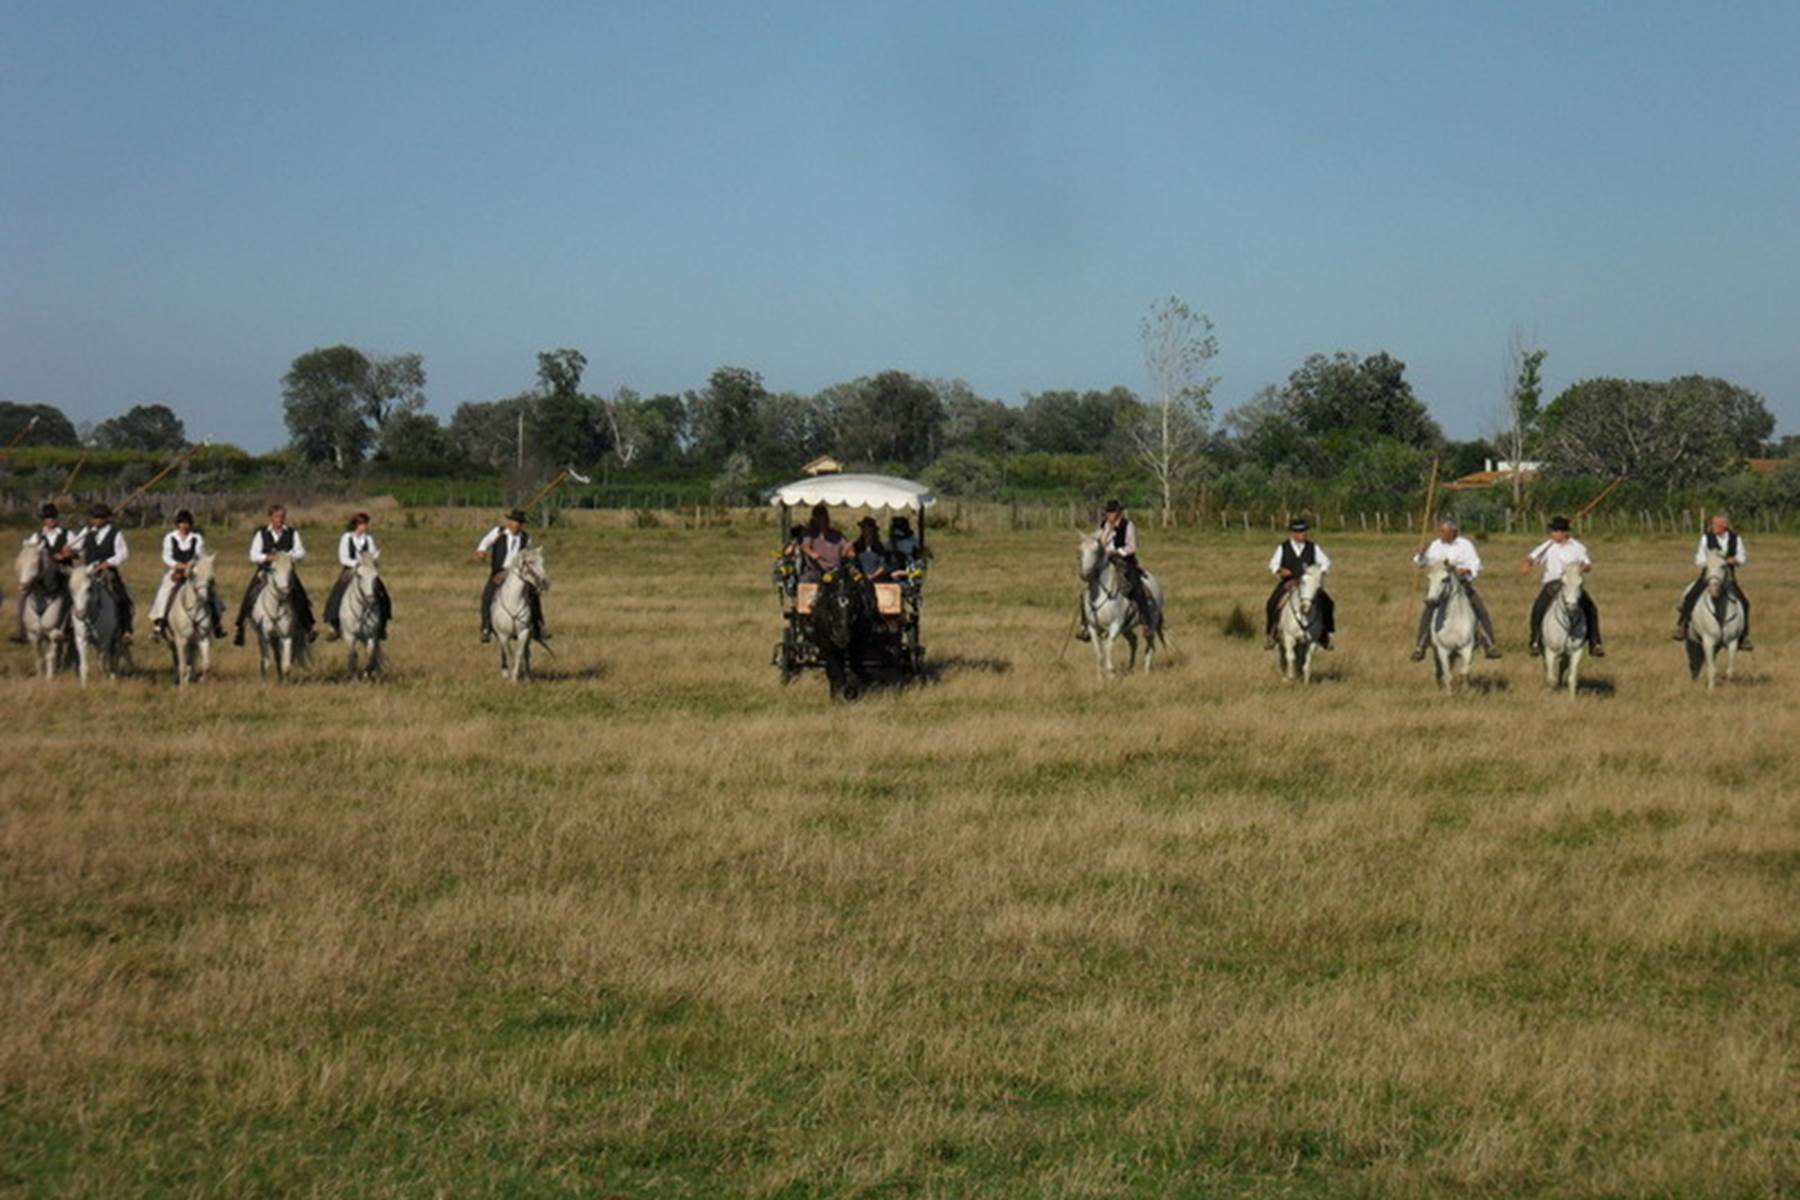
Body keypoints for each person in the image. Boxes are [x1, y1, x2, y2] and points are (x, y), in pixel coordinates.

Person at [1411, 518, 1502, 660]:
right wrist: (1421, 554)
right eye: (1440, 531)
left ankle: (1489, 644)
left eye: (1444, 532)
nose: (1441, 535)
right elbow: (1420, 562)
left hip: (1461, 584)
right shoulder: (1434, 545)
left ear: (1454, 532)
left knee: (1480, 609)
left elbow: (1476, 563)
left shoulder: (1465, 545)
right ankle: (1420, 645)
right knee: (1428, 610)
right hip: (1440, 585)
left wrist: (1466, 570)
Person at [1521, 515, 1604, 657]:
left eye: (1556, 531)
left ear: (1565, 532)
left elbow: (1588, 565)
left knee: (1591, 608)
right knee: (1538, 608)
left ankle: (1595, 643)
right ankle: (1535, 641)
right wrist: (1528, 564)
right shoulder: (1548, 546)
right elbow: (1532, 557)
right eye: (1553, 531)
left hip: (1571, 583)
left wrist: (1580, 569)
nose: (1553, 534)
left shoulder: (1578, 547)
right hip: (1553, 583)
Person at [234, 504, 314, 646]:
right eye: (277, 516)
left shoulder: (292, 533)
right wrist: (267, 558)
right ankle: (241, 626)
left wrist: (286, 556)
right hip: (265, 572)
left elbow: (301, 552)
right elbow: (253, 555)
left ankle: (308, 626)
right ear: (271, 517)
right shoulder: (261, 533)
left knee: (300, 594)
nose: (280, 519)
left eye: (282, 516)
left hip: (285, 572)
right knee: (250, 594)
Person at [1077, 499, 1155, 641]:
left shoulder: (1128, 525)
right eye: (1107, 512)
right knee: (1086, 592)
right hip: (1104, 562)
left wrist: (1116, 551)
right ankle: (1085, 625)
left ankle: (1146, 622)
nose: (1109, 515)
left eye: (1112, 512)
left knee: (1136, 586)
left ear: (1118, 513)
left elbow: (1132, 547)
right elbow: (1096, 539)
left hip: (1124, 561)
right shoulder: (1104, 525)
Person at [1674, 511, 1752, 649]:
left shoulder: (1735, 538)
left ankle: (1744, 636)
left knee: (1745, 602)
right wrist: (1711, 562)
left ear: (1724, 525)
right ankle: (1682, 626)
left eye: (1715, 524)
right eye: (1713, 524)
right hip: (1708, 575)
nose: (1713, 526)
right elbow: (1699, 558)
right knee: (1691, 595)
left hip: (1727, 576)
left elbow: (1742, 557)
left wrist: (1734, 560)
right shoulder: (1706, 538)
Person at [149, 509, 226, 641]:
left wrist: (192, 566)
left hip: (193, 571)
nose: (184, 526)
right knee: (164, 591)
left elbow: (200, 555)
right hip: (176, 571)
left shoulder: (197, 538)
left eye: (187, 523)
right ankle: (159, 624)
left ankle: (217, 622)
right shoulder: (170, 537)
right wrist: (176, 565)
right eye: (182, 523)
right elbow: (166, 555)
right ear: (177, 524)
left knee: (210, 591)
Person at [474, 509, 547, 643]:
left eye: (519, 522)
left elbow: (529, 555)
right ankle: (486, 628)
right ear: (509, 521)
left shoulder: (525, 538)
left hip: (519, 573)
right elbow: (484, 543)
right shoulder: (498, 532)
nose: (516, 525)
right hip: (499, 572)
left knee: (534, 595)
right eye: (514, 521)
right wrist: (481, 551)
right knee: (487, 595)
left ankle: (539, 627)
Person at [65, 502, 134, 641]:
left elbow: (123, 553)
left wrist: (108, 562)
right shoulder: (87, 531)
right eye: (94, 517)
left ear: (106, 519)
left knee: (122, 597)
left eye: (99, 518)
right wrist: (69, 550)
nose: (96, 520)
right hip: (88, 572)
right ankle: (68, 627)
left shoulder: (115, 533)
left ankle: (124, 629)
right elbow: (77, 547)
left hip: (106, 572)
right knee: (72, 596)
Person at [1264, 518, 1335, 650]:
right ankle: (1271, 634)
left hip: (1309, 585)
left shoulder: (1313, 547)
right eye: (1300, 532)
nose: (1303, 534)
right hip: (1289, 583)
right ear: (1293, 533)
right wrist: (1280, 570)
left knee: (1328, 603)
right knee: (1271, 603)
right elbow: (1273, 564)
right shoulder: (1283, 547)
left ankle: (1326, 635)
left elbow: (1325, 562)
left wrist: (1319, 572)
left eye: (1304, 531)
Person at [323, 512, 393, 640]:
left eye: (366, 524)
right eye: (362, 524)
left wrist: (371, 561)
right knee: (338, 592)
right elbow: (343, 557)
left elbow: (372, 554)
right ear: (356, 524)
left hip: (366, 570)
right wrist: (356, 564)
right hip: (350, 570)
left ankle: (382, 624)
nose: (364, 526)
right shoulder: (346, 538)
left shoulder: (369, 539)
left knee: (381, 592)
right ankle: (335, 625)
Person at [10, 502, 69, 643]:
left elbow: (77, 549)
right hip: (40, 574)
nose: (51, 520)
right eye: (48, 517)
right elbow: (28, 553)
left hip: (63, 569)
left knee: (75, 592)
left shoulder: (67, 534)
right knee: (22, 596)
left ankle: (69, 627)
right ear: (43, 520)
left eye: (53, 517)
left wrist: (67, 554)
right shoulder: (36, 537)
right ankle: (21, 630)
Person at [799, 503, 851, 580]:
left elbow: (847, 547)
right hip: (817, 570)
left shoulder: (837, 534)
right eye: (818, 516)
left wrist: (849, 551)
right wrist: (812, 553)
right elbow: (805, 546)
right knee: (805, 579)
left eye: (823, 516)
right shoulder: (810, 533)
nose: (821, 519)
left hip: (835, 570)